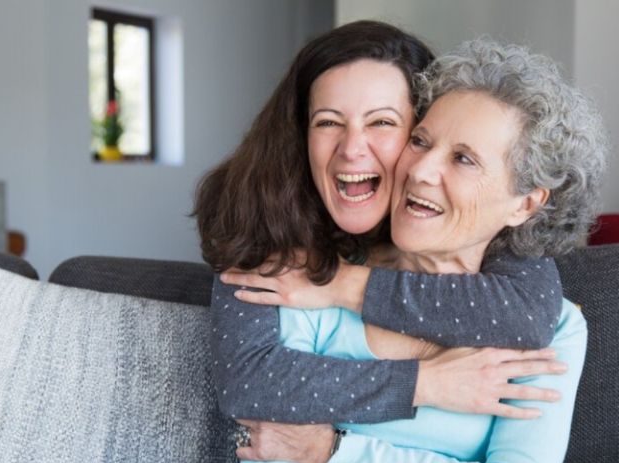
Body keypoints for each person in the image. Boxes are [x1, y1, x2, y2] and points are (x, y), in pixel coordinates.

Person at [236, 38, 605, 463]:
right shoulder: (311, 281)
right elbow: (270, 454)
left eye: (463, 159)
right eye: (420, 140)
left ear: (524, 204)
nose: (420, 170)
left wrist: (333, 452)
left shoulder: (554, 327)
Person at [193, 20, 564, 426]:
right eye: (328, 122)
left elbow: (526, 315)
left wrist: (342, 285)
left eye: (382, 122)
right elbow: (247, 384)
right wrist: (423, 384)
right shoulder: (260, 213)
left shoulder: (462, 221)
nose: (352, 149)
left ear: (420, 133)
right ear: (300, 135)